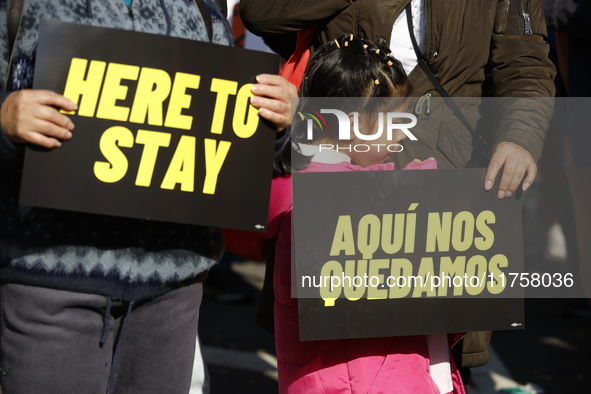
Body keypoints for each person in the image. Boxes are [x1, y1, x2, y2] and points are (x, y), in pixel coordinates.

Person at [240, 0, 556, 382]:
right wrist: (307, 126)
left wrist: (519, 138)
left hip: (443, 195)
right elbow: (261, 13)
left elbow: (525, 64)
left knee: (435, 353)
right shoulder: (304, 176)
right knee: (340, 346)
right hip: (335, 174)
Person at [0, 1, 295, 393]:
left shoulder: (202, 8)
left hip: (171, 297)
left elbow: (223, 133)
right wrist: (5, 120)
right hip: (49, 288)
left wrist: (278, 122)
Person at [262, 34, 464, 394]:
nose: (402, 138)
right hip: (357, 382)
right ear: (355, 123)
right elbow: (353, 196)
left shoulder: (301, 183)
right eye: (396, 123)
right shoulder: (314, 191)